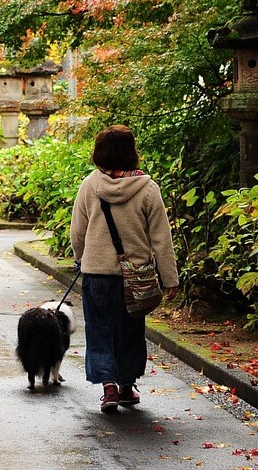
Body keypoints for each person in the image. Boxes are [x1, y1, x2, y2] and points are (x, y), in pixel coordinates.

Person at [70, 125, 179, 413]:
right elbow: (160, 237)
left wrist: (82, 258)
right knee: (131, 330)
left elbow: (77, 232)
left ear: (99, 153)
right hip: (137, 277)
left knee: (99, 330)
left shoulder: (89, 186)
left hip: (97, 274)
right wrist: (170, 278)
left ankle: (108, 388)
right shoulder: (147, 189)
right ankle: (127, 386)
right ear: (132, 153)